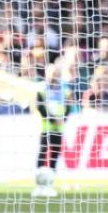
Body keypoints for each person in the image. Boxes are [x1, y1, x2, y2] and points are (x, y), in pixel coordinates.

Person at [33, 63, 72, 197]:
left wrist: (63, 118)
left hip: (59, 127)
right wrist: (52, 119)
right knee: (43, 152)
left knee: (55, 153)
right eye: (51, 73)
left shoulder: (64, 88)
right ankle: (38, 182)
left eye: (56, 73)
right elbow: (39, 107)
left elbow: (69, 106)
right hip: (46, 126)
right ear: (46, 73)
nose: (54, 75)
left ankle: (50, 182)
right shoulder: (41, 88)